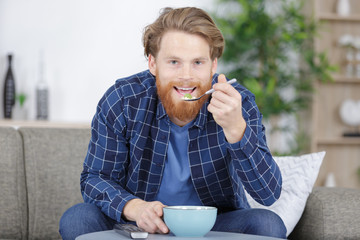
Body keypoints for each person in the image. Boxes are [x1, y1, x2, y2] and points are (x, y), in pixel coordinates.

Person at [59, 6, 286, 240]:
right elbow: (95, 178)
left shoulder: (238, 104)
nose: (186, 75)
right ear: (153, 64)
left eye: (198, 62)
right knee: (77, 219)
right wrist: (135, 208)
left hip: (212, 224)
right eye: (174, 62)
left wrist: (236, 129)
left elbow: (268, 194)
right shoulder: (123, 100)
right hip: (138, 223)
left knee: (268, 225)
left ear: (213, 65)